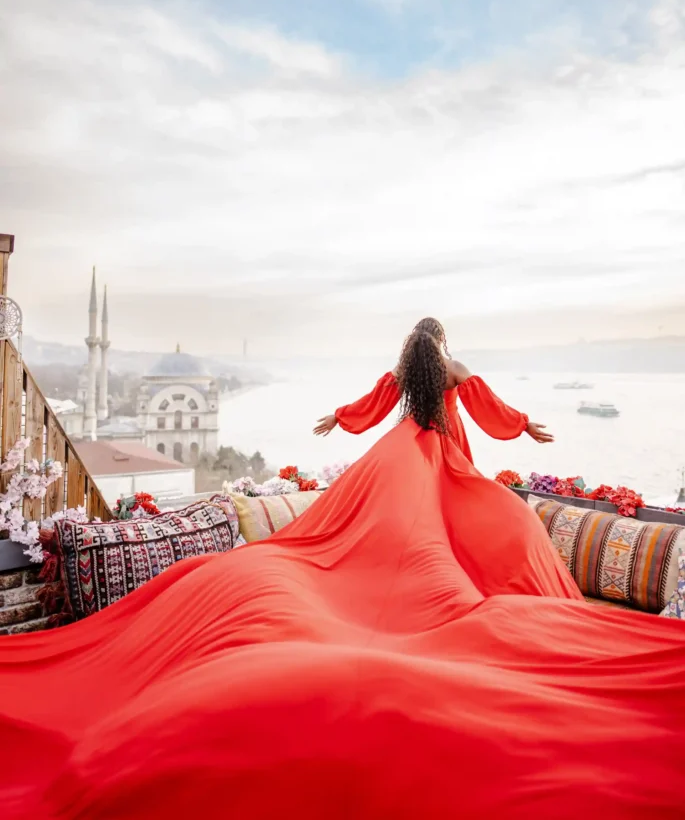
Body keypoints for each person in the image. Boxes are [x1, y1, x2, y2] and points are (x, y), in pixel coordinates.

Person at [1, 319, 684, 819]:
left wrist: (333, 420)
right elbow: (488, 411)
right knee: (461, 524)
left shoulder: (405, 376)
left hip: (398, 452)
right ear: (440, 347)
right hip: (438, 455)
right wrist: (527, 429)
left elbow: (369, 408)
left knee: (399, 529)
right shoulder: (450, 372)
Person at [314, 316, 554, 460]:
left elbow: (374, 402)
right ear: (440, 340)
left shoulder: (403, 370)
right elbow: (489, 406)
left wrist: (339, 416)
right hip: (450, 433)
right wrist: (522, 425)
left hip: (412, 433)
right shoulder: (455, 369)